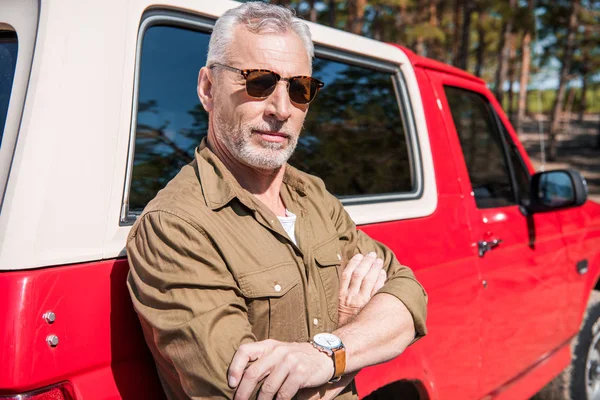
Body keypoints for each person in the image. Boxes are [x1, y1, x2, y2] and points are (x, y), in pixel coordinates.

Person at [126, 2, 428, 399]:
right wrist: (353, 331)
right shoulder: (176, 226)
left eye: (300, 88)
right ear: (207, 88)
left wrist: (327, 353)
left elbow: (408, 297)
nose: (282, 109)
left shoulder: (313, 196)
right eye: (259, 82)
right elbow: (242, 391)